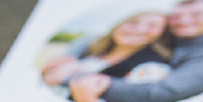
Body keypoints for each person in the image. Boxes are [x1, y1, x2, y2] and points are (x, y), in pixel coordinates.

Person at [67, 0, 203, 102]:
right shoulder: (171, 43)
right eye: (176, 16)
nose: (184, 21)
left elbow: (164, 92)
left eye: (197, 14)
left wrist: (92, 83)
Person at [40, 11, 173, 93]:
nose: (139, 29)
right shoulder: (89, 47)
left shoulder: (151, 68)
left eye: (152, 26)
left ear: (162, 36)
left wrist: (73, 74)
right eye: (133, 22)